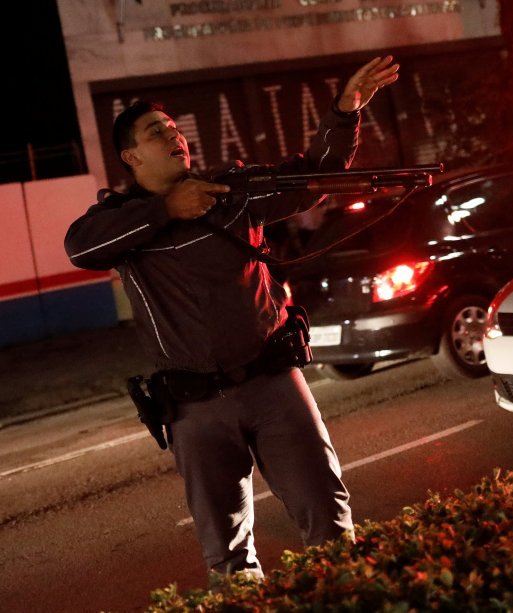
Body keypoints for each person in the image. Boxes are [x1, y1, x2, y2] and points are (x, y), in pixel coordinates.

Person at [64, 56, 400, 577]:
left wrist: (344, 110)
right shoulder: (118, 222)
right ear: (130, 156)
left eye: (175, 128)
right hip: (194, 408)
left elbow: (317, 174)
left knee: (331, 528)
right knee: (228, 556)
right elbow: (80, 249)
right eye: (157, 132)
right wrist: (166, 210)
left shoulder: (232, 193)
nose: (174, 136)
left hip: (273, 385)